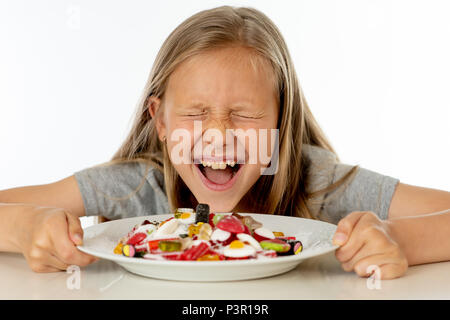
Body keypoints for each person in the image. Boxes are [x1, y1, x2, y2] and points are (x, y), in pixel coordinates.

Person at [0, 6, 449, 279]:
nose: (217, 135)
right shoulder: (135, 186)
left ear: (283, 124)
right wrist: (24, 229)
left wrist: (401, 241)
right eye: (195, 114)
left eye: (245, 115)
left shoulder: (319, 184)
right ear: (159, 122)